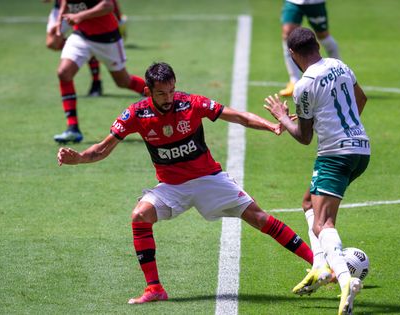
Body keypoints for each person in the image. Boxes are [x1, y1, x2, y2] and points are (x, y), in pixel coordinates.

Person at [57, 62, 315, 304]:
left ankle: (319, 264)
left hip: (208, 179)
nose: (168, 98)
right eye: (161, 94)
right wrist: (78, 158)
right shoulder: (136, 114)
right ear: (147, 92)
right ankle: (154, 288)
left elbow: (237, 116)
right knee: (140, 216)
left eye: (171, 91)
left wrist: (271, 126)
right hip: (172, 188)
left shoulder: (190, 104)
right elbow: (103, 149)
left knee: (259, 218)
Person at [264, 27, 369, 315]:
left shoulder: (304, 85)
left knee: (323, 224)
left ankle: (345, 280)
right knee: (308, 202)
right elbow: (361, 99)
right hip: (361, 149)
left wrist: (282, 117)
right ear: (318, 46)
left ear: (292, 53)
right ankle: (320, 267)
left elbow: (303, 136)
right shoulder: (339, 65)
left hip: (334, 155)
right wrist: (338, 122)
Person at [53, 0, 146, 144]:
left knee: (123, 81)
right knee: (64, 73)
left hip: (107, 38)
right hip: (81, 35)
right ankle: (72, 129)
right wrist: (59, 22)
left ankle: (161, 95)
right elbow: (64, 3)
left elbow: (108, 5)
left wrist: (80, 16)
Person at [279, 0, 340, 97]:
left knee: (323, 36)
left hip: (314, 2)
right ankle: (294, 81)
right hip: (293, 2)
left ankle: (339, 73)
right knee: (288, 33)